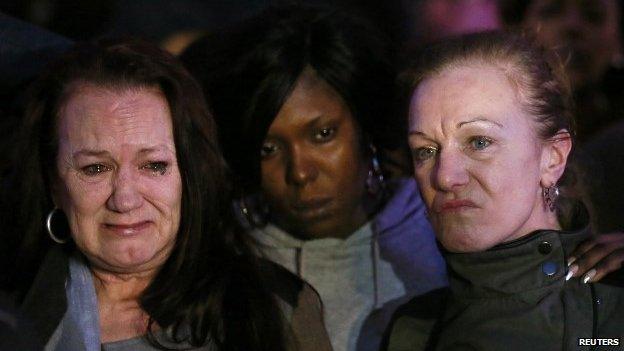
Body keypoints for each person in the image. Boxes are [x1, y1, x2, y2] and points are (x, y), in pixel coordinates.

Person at [1, 38, 332, 351]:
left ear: (189, 174)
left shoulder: (270, 310)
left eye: (153, 165)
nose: (125, 199)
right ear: (54, 182)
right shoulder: (13, 309)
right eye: (95, 169)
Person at [181, 5, 448, 351]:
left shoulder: (438, 222)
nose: (301, 173)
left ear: (365, 125)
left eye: (323, 134)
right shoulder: (225, 257)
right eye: (268, 149)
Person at [385, 31, 624, 350]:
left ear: (552, 158)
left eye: (479, 142)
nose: (444, 177)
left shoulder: (612, 311)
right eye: (426, 151)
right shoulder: (412, 331)